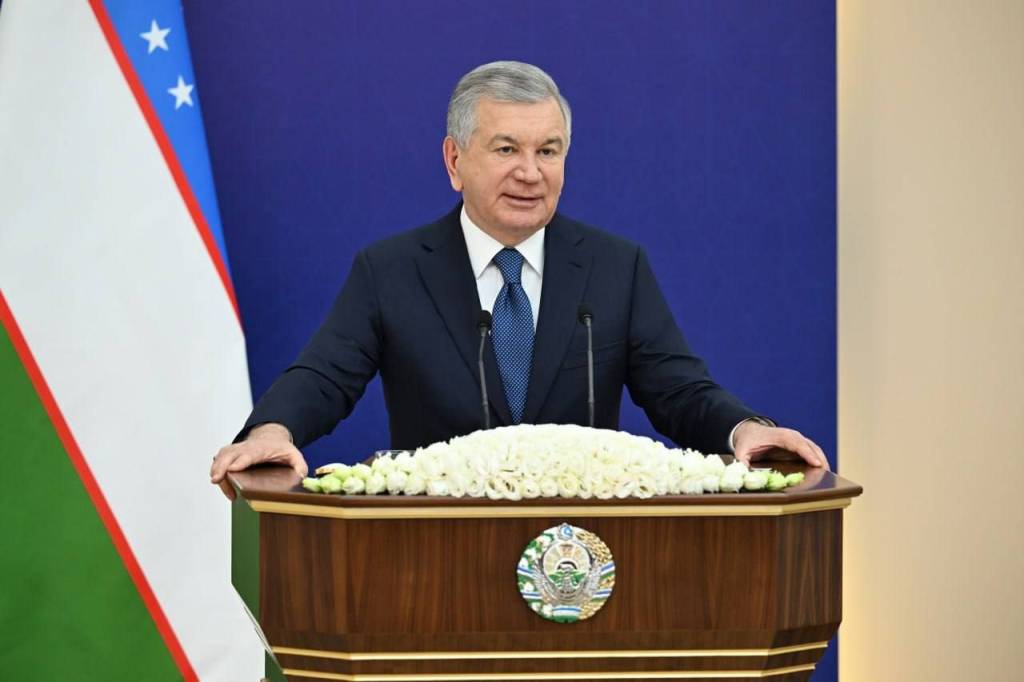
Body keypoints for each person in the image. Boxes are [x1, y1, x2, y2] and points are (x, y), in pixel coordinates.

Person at [210, 61, 828, 499]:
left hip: (586, 555)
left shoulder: (615, 266)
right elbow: (324, 376)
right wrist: (272, 431)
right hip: (435, 549)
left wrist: (747, 429)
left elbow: (680, 389)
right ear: (455, 160)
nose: (531, 173)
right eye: (506, 149)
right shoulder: (392, 269)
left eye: (548, 151)